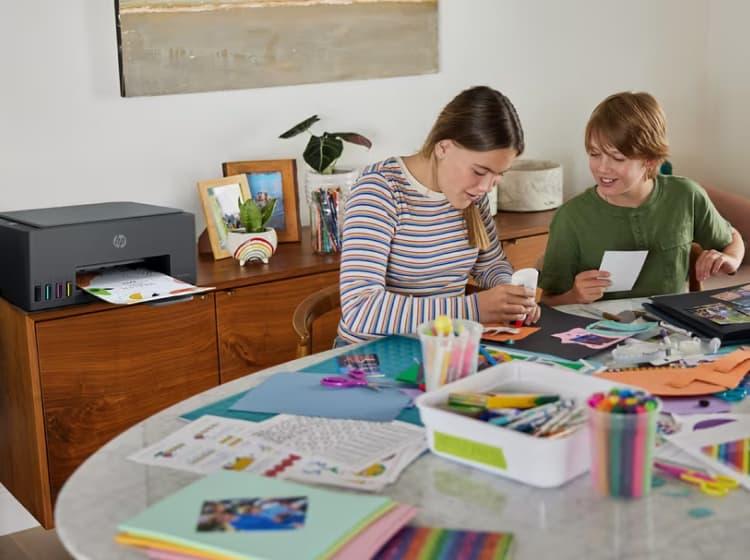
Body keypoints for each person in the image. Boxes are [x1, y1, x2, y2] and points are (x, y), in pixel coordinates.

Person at [337, 85, 540, 345]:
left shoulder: (472, 197)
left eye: (498, 176)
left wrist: (512, 298)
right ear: (443, 147)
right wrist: (473, 309)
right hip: (372, 354)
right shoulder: (379, 191)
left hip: (443, 347)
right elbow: (360, 311)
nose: (486, 187)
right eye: (479, 171)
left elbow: (490, 264)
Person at [540, 91, 745, 305]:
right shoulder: (571, 217)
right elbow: (547, 302)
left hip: (671, 331)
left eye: (617, 158)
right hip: (595, 332)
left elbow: (732, 239)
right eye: (594, 154)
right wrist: (575, 296)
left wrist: (730, 260)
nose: (602, 168)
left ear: (649, 159)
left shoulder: (685, 195)